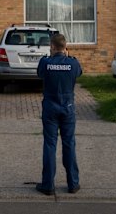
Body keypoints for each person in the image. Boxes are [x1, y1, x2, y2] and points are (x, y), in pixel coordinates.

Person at [36, 33, 83, 196]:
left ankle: (48, 184)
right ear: (65, 47)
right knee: (69, 143)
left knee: (50, 144)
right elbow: (79, 73)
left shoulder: (45, 62)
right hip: (68, 107)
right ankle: (73, 183)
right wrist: (68, 57)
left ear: (53, 46)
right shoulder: (73, 63)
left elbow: (40, 74)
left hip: (50, 107)